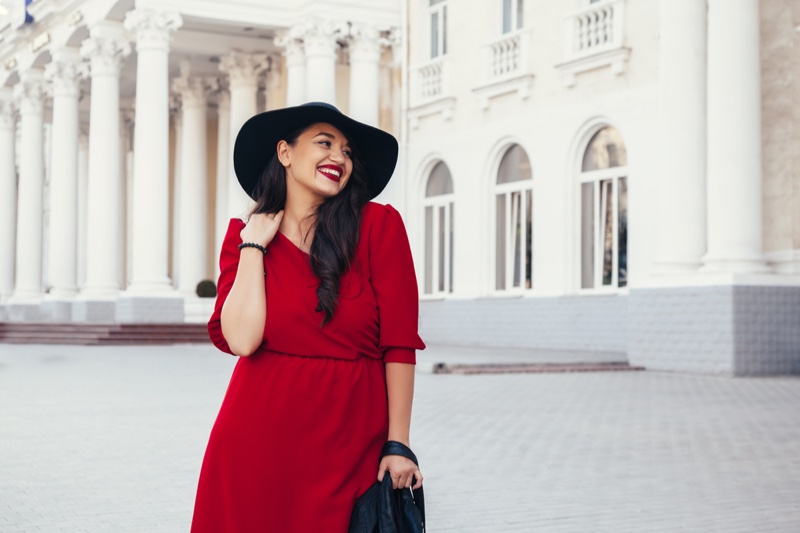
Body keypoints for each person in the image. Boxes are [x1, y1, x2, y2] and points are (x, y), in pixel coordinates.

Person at [191, 102, 426, 532]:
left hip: (352, 443)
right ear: (285, 152)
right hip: (256, 446)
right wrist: (254, 247)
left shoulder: (379, 227)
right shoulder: (242, 240)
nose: (339, 157)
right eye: (325, 142)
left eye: (348, 151)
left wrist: (399, 442)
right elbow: (242, 341)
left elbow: (400, 343)